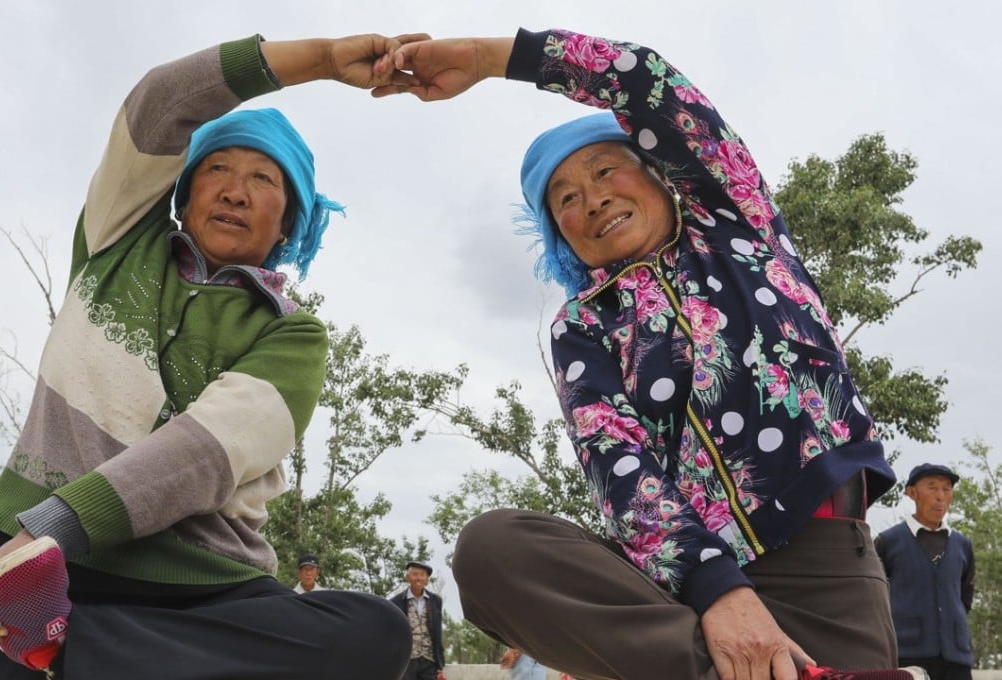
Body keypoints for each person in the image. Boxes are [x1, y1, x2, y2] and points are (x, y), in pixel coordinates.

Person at [378, 28, 927, 680]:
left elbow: (641, 78)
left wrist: (490, 58)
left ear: (662, 172)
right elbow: (618, 464)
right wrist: (716, 589)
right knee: (489, 550)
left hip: (822, 573)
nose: (593, 199)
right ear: (560, 236)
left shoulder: (736, 224)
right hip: (681, 596)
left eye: (605, 170)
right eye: (566, 199)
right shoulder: (582, 327)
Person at [0, 30, 428, 680]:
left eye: (263, 179)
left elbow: (204, 451)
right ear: (184, 192)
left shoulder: (293, 335)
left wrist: (57, 525)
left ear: (289, 221)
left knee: (375, 632)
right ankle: (56, 635)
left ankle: (61, 646)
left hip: (195, 586)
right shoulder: (117, 240)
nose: (235, 191)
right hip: (37, 565)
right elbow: (161, 102)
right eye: (217, 168)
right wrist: (324, 61)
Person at [875, 464, 976, 680]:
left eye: (946, 489)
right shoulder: (888, 542)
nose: (940, 496)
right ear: (912, 493)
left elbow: (964, 598)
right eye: (932, 488)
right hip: (906, 657)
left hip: (956, 659)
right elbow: (875, 600)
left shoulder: (962, 545)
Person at [389, 561, 445, 680]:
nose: (418, 578)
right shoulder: (396, 602)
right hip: (406, 661)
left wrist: (440, 662)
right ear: (408, 577)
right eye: (415, 574)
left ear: (427, 578)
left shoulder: (436, 601)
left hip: (429, 660)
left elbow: (438, 631)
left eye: (422, 575)